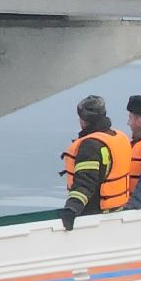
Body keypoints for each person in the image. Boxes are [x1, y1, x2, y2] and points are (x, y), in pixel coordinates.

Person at [58, 95, 133, 230]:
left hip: (95, 214)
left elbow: (85, 182)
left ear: (83, 120)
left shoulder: (90, 146)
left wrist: (72, 208)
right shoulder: (119, 137)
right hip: (118, 210)